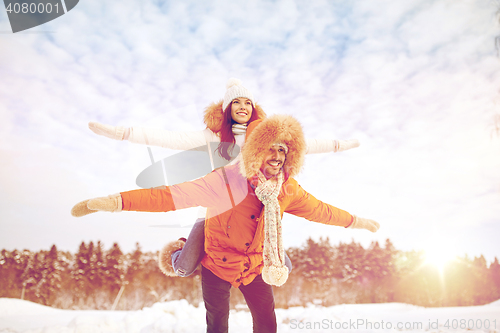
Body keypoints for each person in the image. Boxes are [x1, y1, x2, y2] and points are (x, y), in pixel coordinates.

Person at [71, 114, 380, 333]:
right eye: (269, 147)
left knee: (267, 321)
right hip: (216, 263)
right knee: (217, 323)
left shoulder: (288, 189)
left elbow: (321, 211)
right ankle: (183, 249)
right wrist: (115, 202)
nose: (277, 156)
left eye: (283, 149)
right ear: (254, 151)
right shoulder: (224, 181)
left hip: (256, 265)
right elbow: (169, 196)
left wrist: (357, 222)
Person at [82, 78, 361, 278]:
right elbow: (170, 138)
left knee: (283, 266)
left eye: (248, 102)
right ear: (228, 109)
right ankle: (183, 250)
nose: (243, 106)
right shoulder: (213, 138)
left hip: (256, 207)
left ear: (254, 108)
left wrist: (340, 145)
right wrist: (122, 133)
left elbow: (306, 144)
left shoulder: (265, 134)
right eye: (236, 102)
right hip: (218, 204)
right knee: (184, 267)